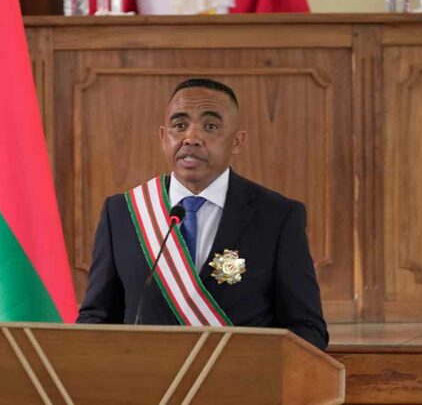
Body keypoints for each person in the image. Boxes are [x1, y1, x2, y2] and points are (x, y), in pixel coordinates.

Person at [77, 78, 328, 350]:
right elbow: (96, 319)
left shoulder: (277, 216)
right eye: (180, 125)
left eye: (210, 127)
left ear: (237, 141)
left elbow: (308, 329)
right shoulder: (123, 213)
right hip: (147, 386)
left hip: (239, 387)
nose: (191, 138)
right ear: (163, 137)